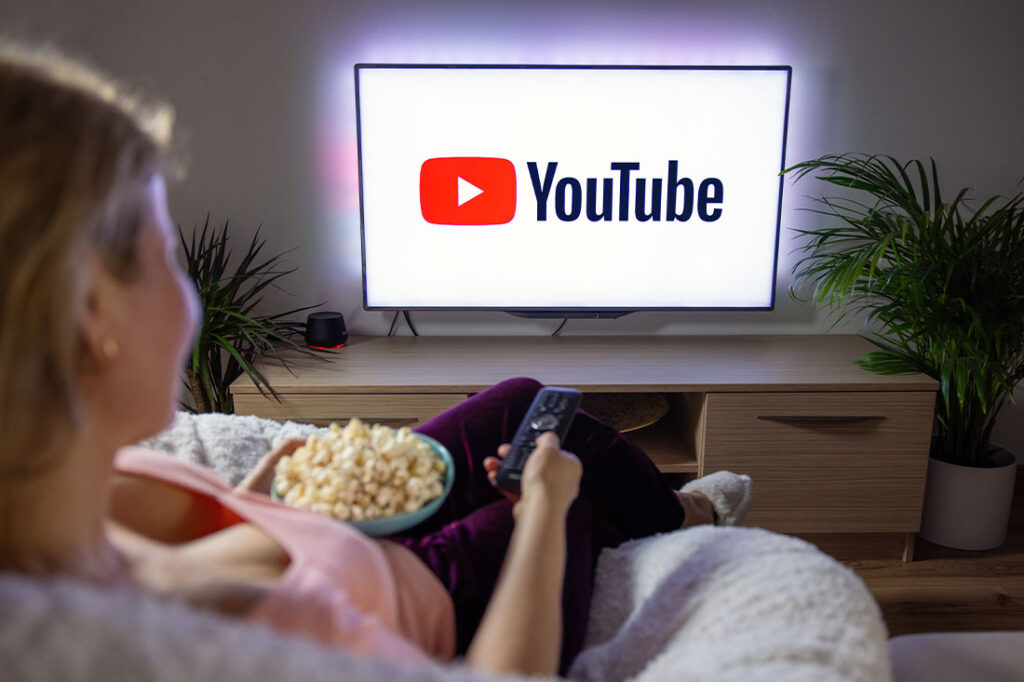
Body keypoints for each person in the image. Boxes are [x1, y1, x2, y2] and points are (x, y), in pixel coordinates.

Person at [0, 44, 752, 678]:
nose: (193, 294)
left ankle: (686, 511)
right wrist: (545, 517)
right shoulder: (157, 641)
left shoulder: (65, 496)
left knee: (527, 399)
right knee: (571, 489)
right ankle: (697, 515)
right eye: (165, 255)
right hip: (419, 597)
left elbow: (200, 559)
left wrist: (268, 498)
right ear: (93, 311)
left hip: (338, 538)